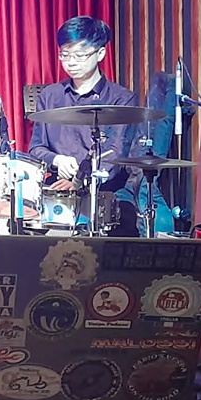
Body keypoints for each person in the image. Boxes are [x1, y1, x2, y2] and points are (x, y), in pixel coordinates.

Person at [28, 15, 167, 236]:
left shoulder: (121, 99)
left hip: (106, 192)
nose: (71, 62)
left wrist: (79, 181)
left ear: (100, 53)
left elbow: (116, 154)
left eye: (80, 55)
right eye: (65, 54)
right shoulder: (50, 96)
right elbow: (36, 148)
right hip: (57, 189)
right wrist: (56, 159)